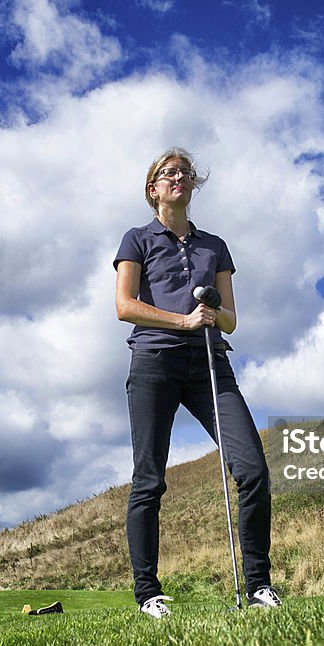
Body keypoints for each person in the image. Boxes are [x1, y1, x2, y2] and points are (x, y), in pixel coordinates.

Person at [113, 147, 281, 618]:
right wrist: (182, 322)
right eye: (169, 173)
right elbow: (124, 306)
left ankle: (258, 585)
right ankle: (148, 592)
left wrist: (212, 316)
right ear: (154, 189)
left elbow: (230, 319)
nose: (179, 178)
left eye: (185, 173)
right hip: (154, 361)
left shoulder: (215, 245)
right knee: (149, 480)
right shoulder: (136, 239)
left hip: (209, 362)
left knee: (253, 470)